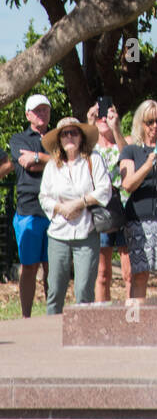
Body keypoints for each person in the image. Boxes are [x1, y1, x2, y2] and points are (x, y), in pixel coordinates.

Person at [39, 117, 111, 313]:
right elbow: (43, 197)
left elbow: (105, 190)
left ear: (81, 137)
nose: (69, 137)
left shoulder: (93, 160)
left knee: (84, 290)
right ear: (59, 140)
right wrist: (61, 208)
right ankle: (50, 333)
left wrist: (79, 203)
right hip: (58, 234)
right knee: (55, 289)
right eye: (65, 133)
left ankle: (83, 336)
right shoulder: (52, 166)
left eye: (74, 133)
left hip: (86, 232)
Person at [8, 94, 52, 316]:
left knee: (52, 267)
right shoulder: (18, 139)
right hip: (29, 211)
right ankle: (26, 317)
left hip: (55, 209)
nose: (42, 114)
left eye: (45, 109)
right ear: (28, 115)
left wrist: (38, 158)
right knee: (29, 267)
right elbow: (28, 165)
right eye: (37, 110)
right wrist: (54, 160)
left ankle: (55, 315)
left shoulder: (58, 137)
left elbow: (67, 161)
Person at [87, 99, 131, 302]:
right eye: (100, 114)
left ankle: (133, 316)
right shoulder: (90, 146)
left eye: (108, 113)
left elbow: (128, 156)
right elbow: (79, 159)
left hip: (126, 209)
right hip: (101, 211)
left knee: (129, 272)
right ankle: (101, 318)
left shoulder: (125, 140)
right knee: (102, 273)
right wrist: (89, 124)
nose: (104, 118)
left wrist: (116, 129)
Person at [119, 100, 157, 301]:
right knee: (140, 275)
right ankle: (137, 321)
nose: (155, 126)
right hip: (139, 221)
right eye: (149, 122)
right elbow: (127, 184)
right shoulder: (131, 150)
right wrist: (149, 163)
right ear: (141, 123)